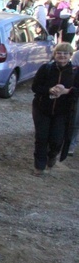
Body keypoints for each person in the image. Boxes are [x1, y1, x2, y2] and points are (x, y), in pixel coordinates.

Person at [30, 42, 78, 176]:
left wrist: (66, 91)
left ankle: (52, 156)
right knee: (41, 137)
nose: (62, 56)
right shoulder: (46, 68)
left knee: (57, 139)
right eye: (59, 53)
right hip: (42, 109)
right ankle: (39, 166)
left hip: (63, 112)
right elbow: (35, 87)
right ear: (54, 54)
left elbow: (77, 91)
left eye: (65, 53)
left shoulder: (75, 72)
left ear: (70, 55)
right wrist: (49, 90)